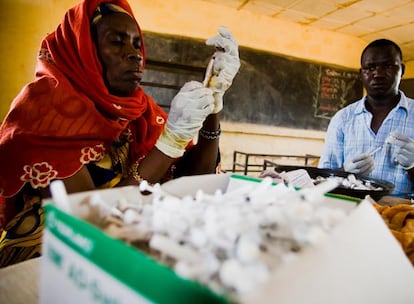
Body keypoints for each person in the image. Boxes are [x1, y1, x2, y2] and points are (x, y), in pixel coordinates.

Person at [0, 0, 240, 267]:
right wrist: (169, 143)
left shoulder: (138, 112)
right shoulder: (44, 112)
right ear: (83, 50)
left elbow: (192, 181)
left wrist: (213, 102)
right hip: (50, 259)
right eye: (117, 42)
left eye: (137, 44)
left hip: (122, 242)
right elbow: (92, 224)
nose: (134, 54)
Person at [318, 39, 414, 197]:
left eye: (388, 66)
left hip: (401, 216)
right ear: (361, 74)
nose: (378, 74)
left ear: (401, 70)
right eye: (370, 68)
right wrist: (345, 172)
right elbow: (322, 179)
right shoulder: (342, 119)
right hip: (348, 210)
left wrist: (413, 165)